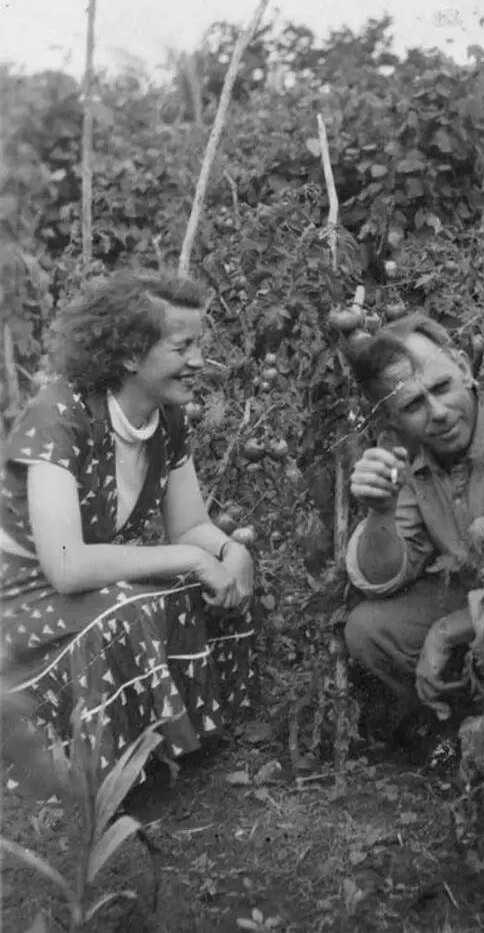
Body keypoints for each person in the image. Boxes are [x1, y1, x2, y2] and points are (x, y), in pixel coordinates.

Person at [0, 269, 257, 781]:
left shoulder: (167, 419)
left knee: (209, 578)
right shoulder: (58, 417)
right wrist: (193, 557)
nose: (199, 362)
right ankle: (98, 771)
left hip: (70, 589)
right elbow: (67, 566)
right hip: (18, 598)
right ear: (130, 355)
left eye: (198, 346)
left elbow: (190, 528)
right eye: (183, 348)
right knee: (129, 609)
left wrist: (232, 553)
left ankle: (187, 745)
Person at [343, 312, 484, 735]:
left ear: (463, 365)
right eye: (413, 405)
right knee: (369, 630)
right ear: (391, 419)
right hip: (473, 594)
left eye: (441, 387)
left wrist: (449, 629)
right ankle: (456, 729)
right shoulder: (402, 452)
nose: (437, 413)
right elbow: (383, 577)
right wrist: (379, 511)